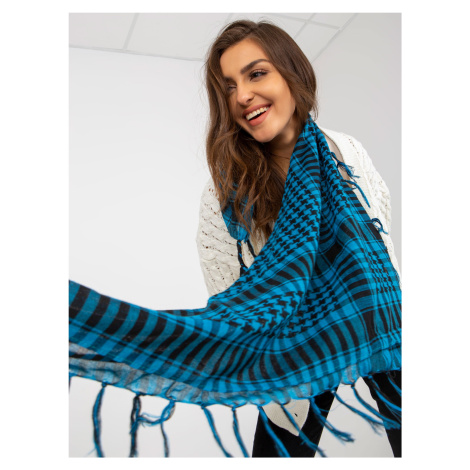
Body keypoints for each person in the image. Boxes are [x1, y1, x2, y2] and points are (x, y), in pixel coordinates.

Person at [196, 20, 401, 458]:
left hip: (382, 322)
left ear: (292, 72)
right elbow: (232, 304)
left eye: (256, 73)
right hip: (295, 348)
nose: (242, 95)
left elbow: (382, 239)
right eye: (228, 87)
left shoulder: (346, 149)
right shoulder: (225, 193)